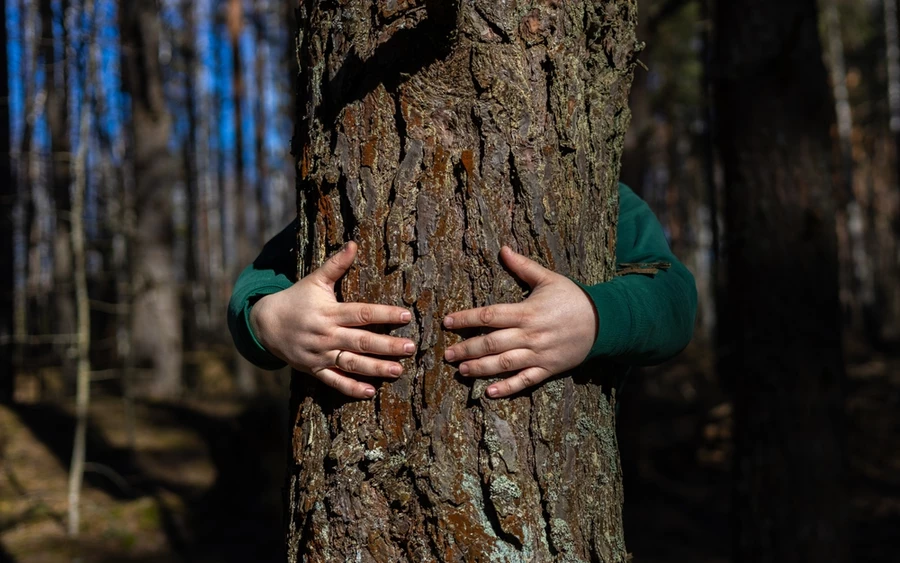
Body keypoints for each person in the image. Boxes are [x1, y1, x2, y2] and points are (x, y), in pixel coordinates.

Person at [228, 183, 697, 400]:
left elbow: (675, 298)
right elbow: (257, 282)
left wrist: (596, 318)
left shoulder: (599, 193)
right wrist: (269, 320)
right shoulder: (346, 188)